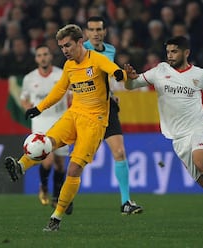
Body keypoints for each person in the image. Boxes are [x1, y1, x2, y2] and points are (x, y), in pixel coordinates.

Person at [4, 24, 128, 231]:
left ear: (80, 42)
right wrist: (38, 108)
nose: (64, 50)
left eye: (67, 45)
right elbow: (59, 90)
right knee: (45, 142)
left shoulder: (97, 59)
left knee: (73, 168)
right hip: (73, 115)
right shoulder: (69, 66)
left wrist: (120, 74)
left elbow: (115, 71)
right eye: (61, 47)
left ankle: (57, 216)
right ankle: (21, 166)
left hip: (95, 121)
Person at [124, 36, 203, 225]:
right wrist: (129, 79)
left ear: (186, 52)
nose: (170, 55)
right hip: (178, 137)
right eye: (168, 51)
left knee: (201, 160)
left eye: (174, 51)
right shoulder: (160, 71)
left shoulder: (200, 74)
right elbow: (132, 86)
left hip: (198, 127)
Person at [81, 16, 143, 215]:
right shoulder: (81, 51)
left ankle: (126, 202)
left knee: (119, 153)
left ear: (105, 31)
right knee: (81, 157)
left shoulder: (110, 50)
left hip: (107, 107)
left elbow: (105, 76)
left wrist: (111, 93)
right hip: (87, 110)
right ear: (86, 33)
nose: (96, 33)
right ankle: (62, 197)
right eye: (92, 30)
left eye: (99, 29)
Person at [20, 44, 70, 209]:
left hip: (60, 120)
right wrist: (30, 110)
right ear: (36, 59)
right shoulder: (30, 78)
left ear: (50, 56)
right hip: (41, 123)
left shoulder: (61, 74)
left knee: (60, 164)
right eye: (39, 55)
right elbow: (24, 99)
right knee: (47, 161)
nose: (43, 57)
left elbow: (71, 96)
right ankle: (44, 187)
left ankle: (57, 196)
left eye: (45, 54)